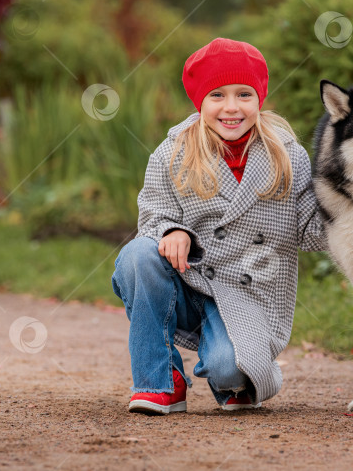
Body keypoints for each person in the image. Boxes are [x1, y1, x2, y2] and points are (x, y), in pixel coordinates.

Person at [111, 38, 325, 415]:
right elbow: (152, 215)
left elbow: (310, 227)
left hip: (248, 295)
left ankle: (230, 368)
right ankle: (160, 382)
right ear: (199, 101)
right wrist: (172, 231)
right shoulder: (174, 150)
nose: (231, 107)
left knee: (232, 373)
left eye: (244, 94)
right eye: (217, 95)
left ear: (260, 98)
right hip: (187, 279)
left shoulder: (287, 153)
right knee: (137, 255)